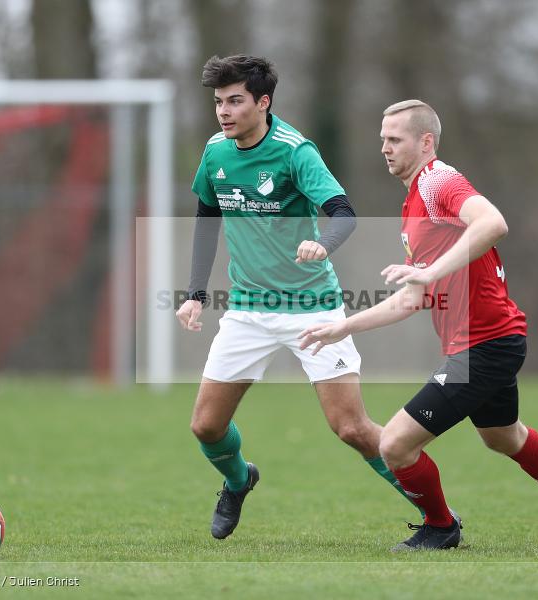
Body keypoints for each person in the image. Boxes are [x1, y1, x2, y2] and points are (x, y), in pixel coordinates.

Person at [299, 99, 538, 551]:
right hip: (490, 342)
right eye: (382, 140)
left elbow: (492, 222)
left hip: (484, 346)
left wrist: (429, 271)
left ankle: (441, 526)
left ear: (426, 142)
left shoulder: (438, 180)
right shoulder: (413, 204)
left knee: (394, 444)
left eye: (395, 139)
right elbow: (412, 299)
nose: (385, 148)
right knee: (504, 437)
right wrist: (344, 327)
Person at [176, 56, 434, 540]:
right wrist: (195, 294)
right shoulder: (215, 151)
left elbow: (343, 212)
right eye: (218, 102)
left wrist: (324, 243)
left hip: (311, 310)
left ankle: (438, 516)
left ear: (263, 102)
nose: (224, 112)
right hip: (248, 311)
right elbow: (206, 218)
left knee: (353, 429)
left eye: (235, 101)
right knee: (206, 428)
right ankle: (239, 480)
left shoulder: (296, 152)